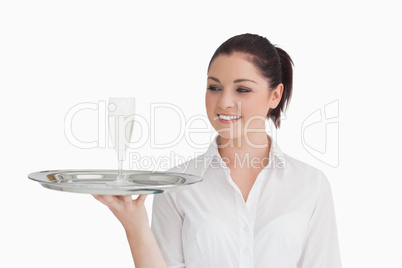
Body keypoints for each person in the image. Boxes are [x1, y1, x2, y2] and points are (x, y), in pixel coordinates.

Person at [93, 33, 342, 268]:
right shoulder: (177, 185)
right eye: (214, 87)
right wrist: (136, 227)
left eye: (242, 90)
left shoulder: (311, 184)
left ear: (275, 95)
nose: (224, 102)